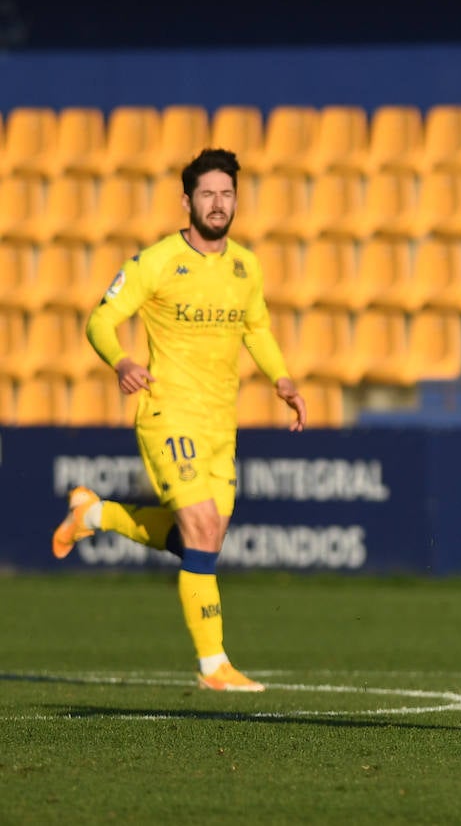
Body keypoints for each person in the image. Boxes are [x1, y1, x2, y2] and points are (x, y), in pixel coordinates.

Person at [51, 147, 307, 692]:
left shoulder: (246, 265)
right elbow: (102, 319)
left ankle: (95, 515)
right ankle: (214, 666)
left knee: (204, 541)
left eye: (227, 193)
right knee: (200, 527)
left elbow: (256, 328)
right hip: (168, 414)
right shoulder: (157, 261)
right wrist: (120, 360)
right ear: (187, 200)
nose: (218, 204)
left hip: (222, 424)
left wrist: (281, 378)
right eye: (208, 194)